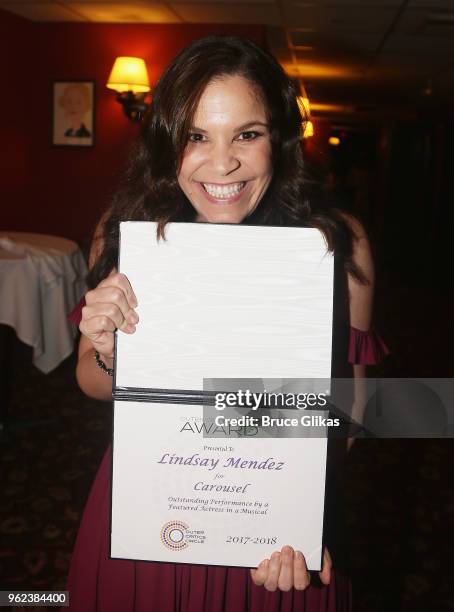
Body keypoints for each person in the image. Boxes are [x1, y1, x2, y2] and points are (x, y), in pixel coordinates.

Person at [66, 35, 388, 611]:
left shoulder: (335, 244)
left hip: (273, 536)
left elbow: (353, 415)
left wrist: (301, 510)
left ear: (279, 139)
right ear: (168, 141)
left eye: (247, 133)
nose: (222, 163)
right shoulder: (129, 229)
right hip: (152, 510)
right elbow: (90, 382)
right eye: (196, 135)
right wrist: (108, 350)